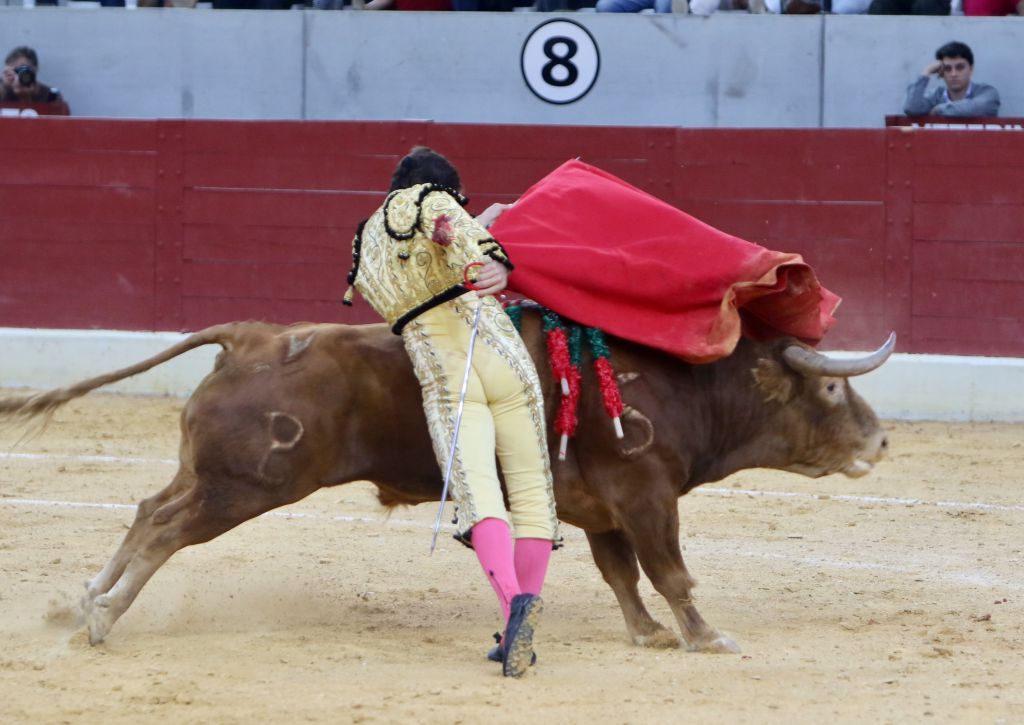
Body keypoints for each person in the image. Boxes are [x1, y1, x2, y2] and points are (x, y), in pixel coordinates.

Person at [343, 147, 558, 678]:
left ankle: (514, 614)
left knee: (479, 490)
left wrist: (475, 238)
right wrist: (497, 261)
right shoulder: (439, 203)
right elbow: (461, 240)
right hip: (501, 355)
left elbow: (421, 253)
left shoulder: (364, 239)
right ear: (451, 189)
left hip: (444, 369)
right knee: (530, 490)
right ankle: (519, 617)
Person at [903, 41, 1000, 118]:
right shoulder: (936, 95)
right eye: (947, 68)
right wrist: (926, 72)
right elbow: (911, 108)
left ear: (971, 68)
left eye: (960, 67)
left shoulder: (987, 92)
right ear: (940, 72)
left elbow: (974, 108)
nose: (953, 74)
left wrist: (939, 110)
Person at [1, 46, 70, 116]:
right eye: (14, 71)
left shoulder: (51, 93)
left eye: (22, 69)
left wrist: (28, 98)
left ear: (35, 68)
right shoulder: (3, 90)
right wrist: (3, 88)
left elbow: (61, 122)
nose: (18, 75)